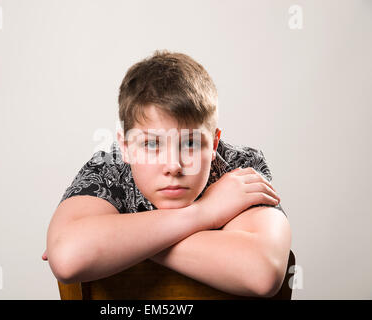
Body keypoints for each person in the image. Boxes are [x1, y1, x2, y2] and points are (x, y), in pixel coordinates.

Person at [42, 50, 291, 298]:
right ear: (125, 147)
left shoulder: (239, 166)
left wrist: (116, 245)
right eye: (151, 145)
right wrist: (205, 212)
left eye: (191, 143)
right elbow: (68, 257)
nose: (173, 166)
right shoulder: (109, 169)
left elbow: (261, 274)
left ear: (214, 144)